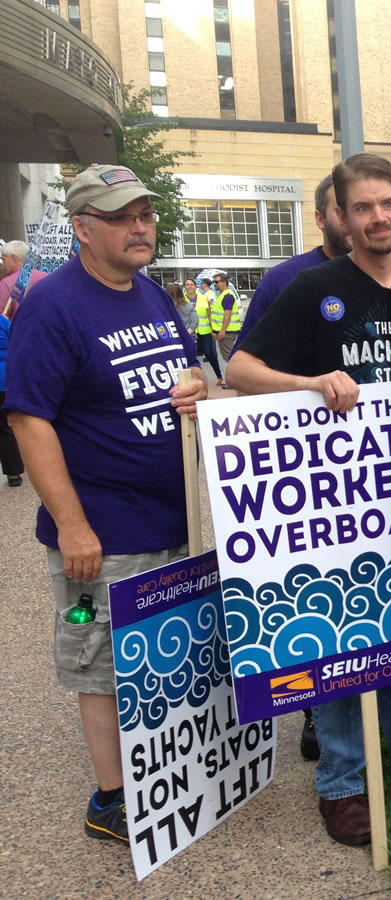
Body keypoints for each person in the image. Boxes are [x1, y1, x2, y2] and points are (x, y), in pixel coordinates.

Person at [226, 152, 391, 847]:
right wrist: (310, 384)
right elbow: (240, 367)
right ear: (340, 214)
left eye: (388, 204)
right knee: (339, 635)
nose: (378, 218)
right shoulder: (314, 288)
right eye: (362, 207)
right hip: (335, 497)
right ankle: (341, 784)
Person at [5, 163, 206, 845]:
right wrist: (72, 525)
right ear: (84, 228)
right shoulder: (53, 305)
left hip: (171, 521)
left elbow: (189, 371)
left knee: (160, 657)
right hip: (102, 534)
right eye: (122, 217)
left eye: (145, 215)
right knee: (102, 665)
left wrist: (193, 384)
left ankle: (163, 777)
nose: (140, 227)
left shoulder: (150, 295)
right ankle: (111, 801)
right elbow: (29, 419)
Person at [232, 174, 351, 353]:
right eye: (342, 212)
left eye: (362, 210)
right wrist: (308, 382)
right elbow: (241, 370)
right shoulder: (281, 281)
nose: (355, 220)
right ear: (320, 219)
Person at [0, 311, 23, 486]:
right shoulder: (3, 322)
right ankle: (14, 474)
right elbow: (17, 340)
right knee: (7, 428)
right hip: (6, 378)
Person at [0, 240, 50, 318]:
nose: (2, 264)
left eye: (4, 259)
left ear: (13, 259)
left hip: (18, 329)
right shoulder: (46, 277)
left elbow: (2, 318)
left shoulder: (6, 284)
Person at [192, 276, 224, 387]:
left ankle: (220, 376)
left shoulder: (210, 295)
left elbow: (212, 310)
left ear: (204, 284)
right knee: (207, 353)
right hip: (196, 330)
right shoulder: (203, 295)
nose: (199, 285)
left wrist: (213, 328)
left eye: (201, 283)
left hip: (206, 329)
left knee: (210, 353)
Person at [212, 271, 241, 361]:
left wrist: (223, 331)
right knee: (228, 356)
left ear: (224, 282)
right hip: (226, 331)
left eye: (216, 282)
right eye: (214, 282)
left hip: (227, 332)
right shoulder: (222, 295)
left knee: (230, 357)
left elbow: (227, 314)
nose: (214, 284)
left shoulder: (227, 295)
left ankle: (240, 374)